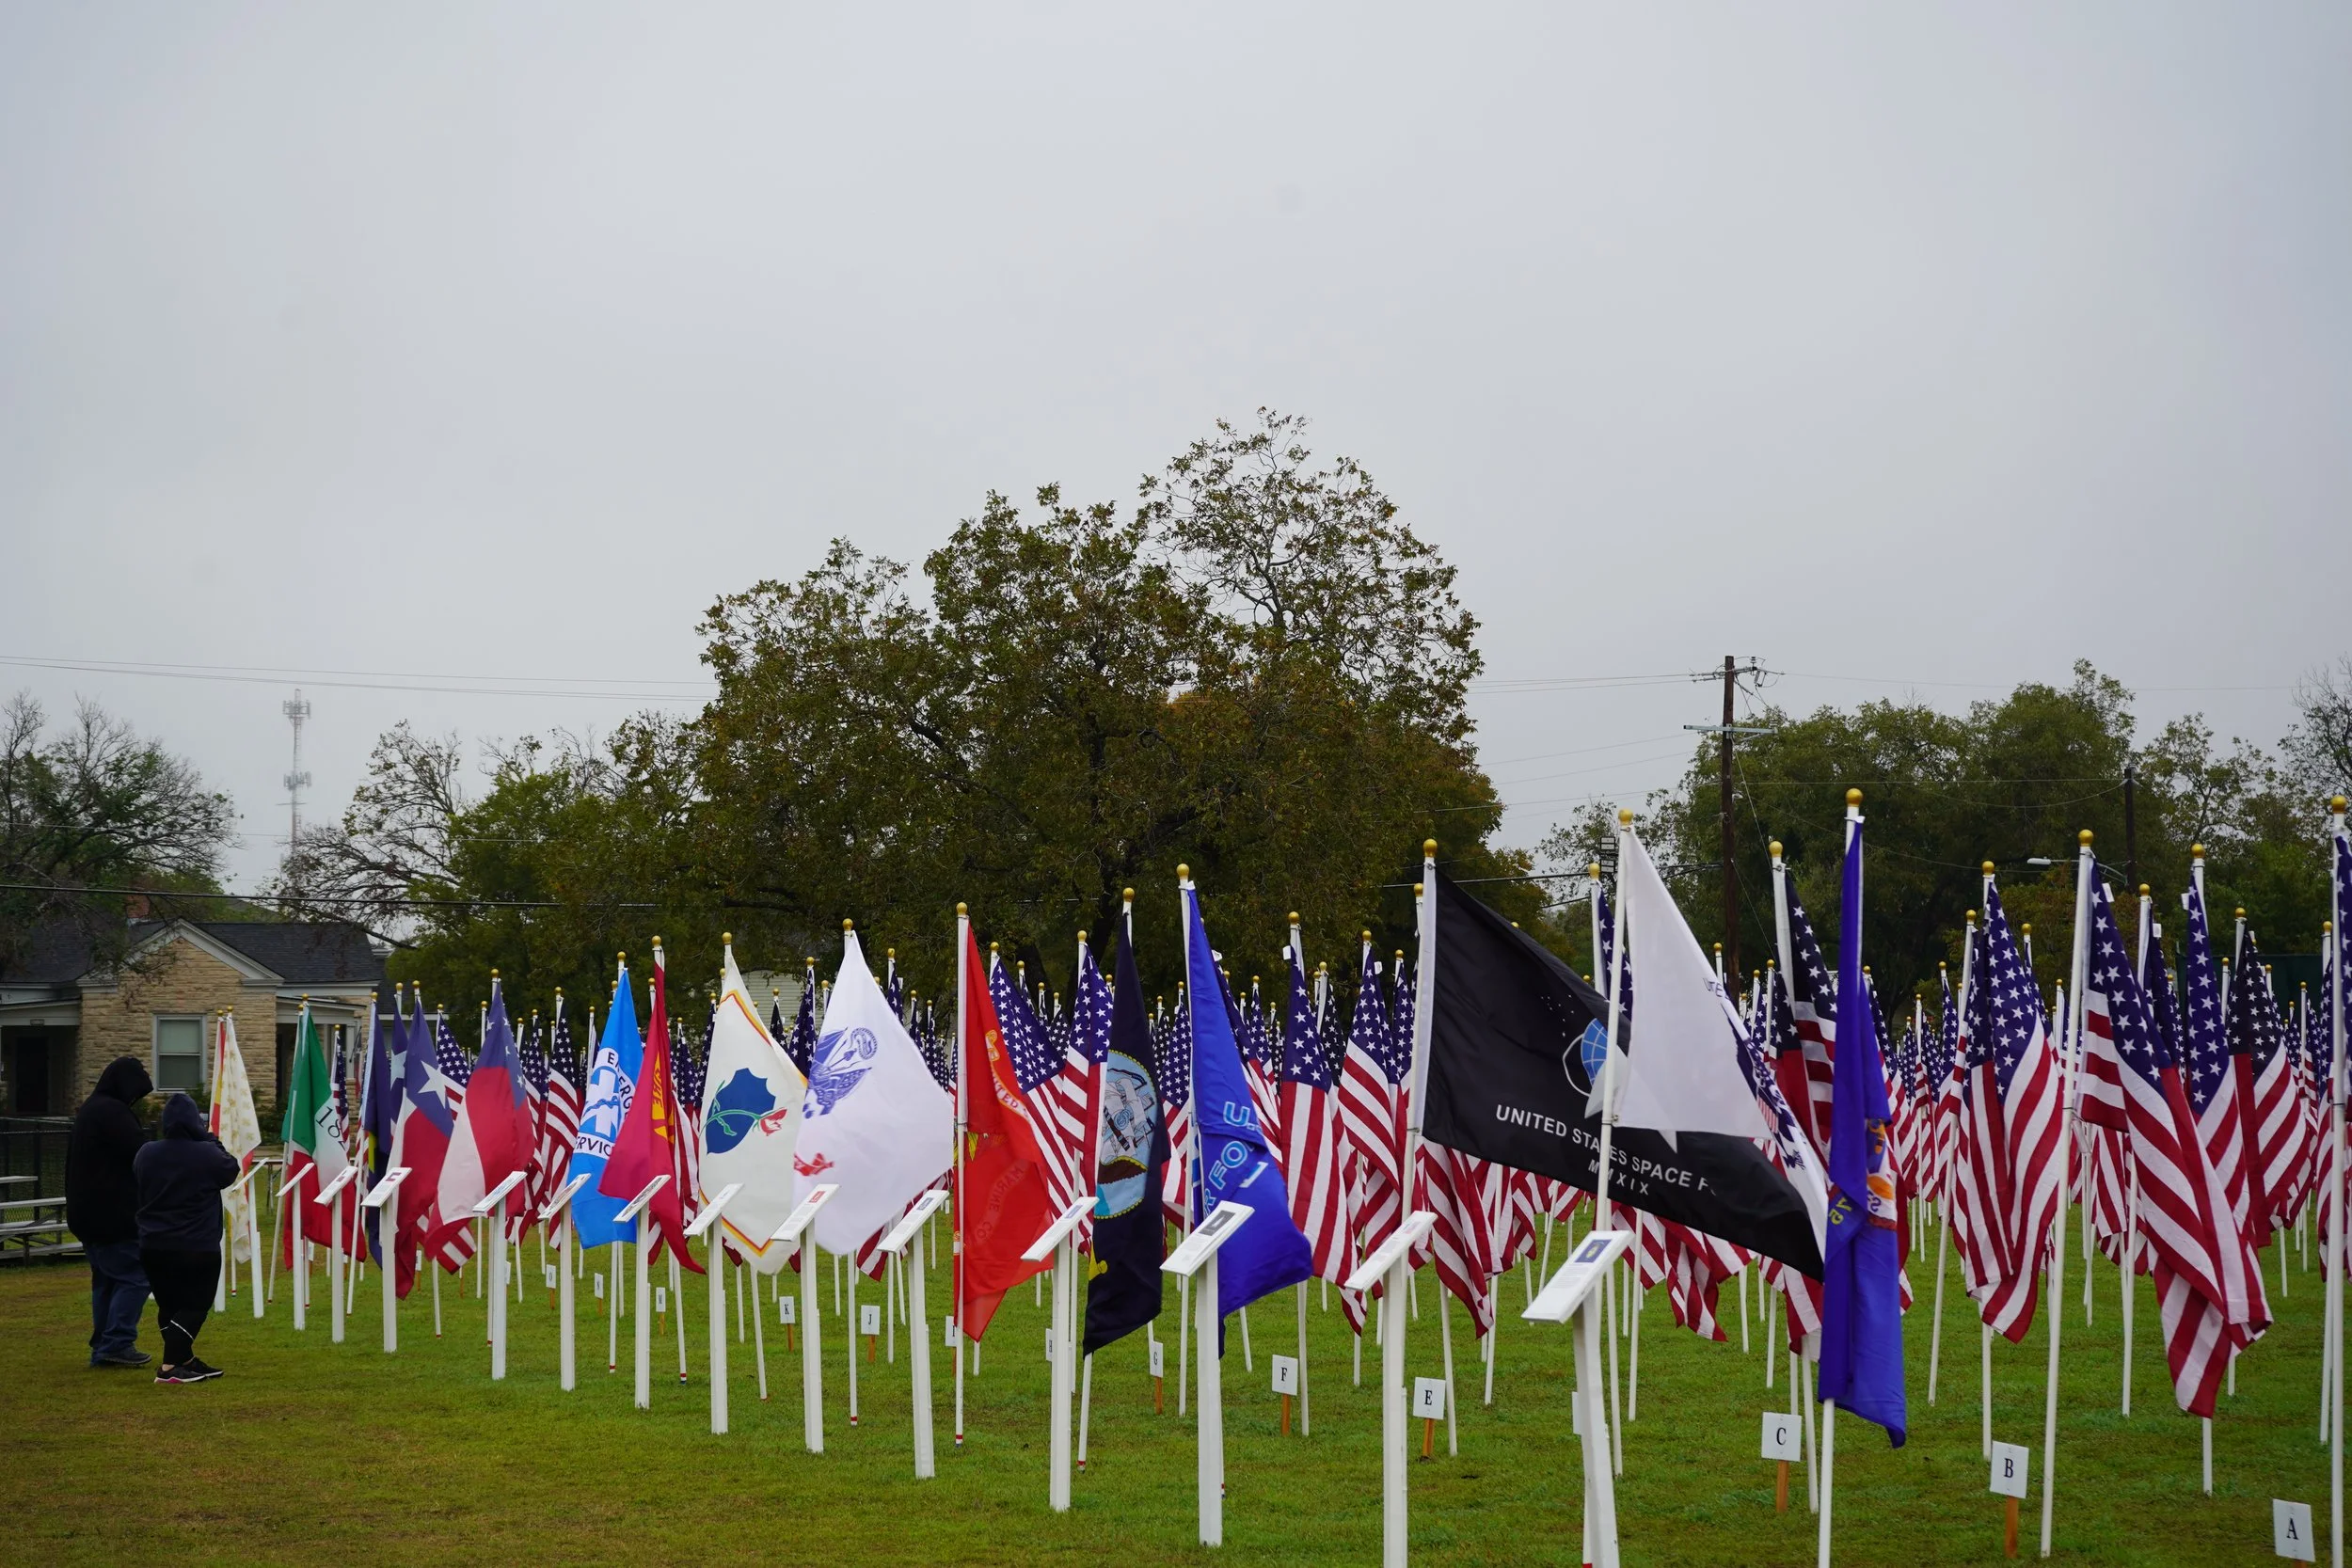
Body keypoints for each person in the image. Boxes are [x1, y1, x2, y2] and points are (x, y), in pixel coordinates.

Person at [135, 1092, 239, 1384]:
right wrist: (210, 1140)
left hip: (153, 1243)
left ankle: (185, 1360)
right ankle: (170, 1367)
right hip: (196, 1244)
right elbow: (230, 1169)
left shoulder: (146, 1152)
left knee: (170, 1305)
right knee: (195, 1304)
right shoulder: (206, 1153)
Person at [65, 1055, 153, 1369]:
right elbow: (141, 1153)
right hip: (112, 1215)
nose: (135, 1100)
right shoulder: (112, 1113)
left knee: (107, 1279)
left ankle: (104, 1345)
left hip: (86, 1213)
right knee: (136, 1276)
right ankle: (117, 1341)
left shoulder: (91, 1110)